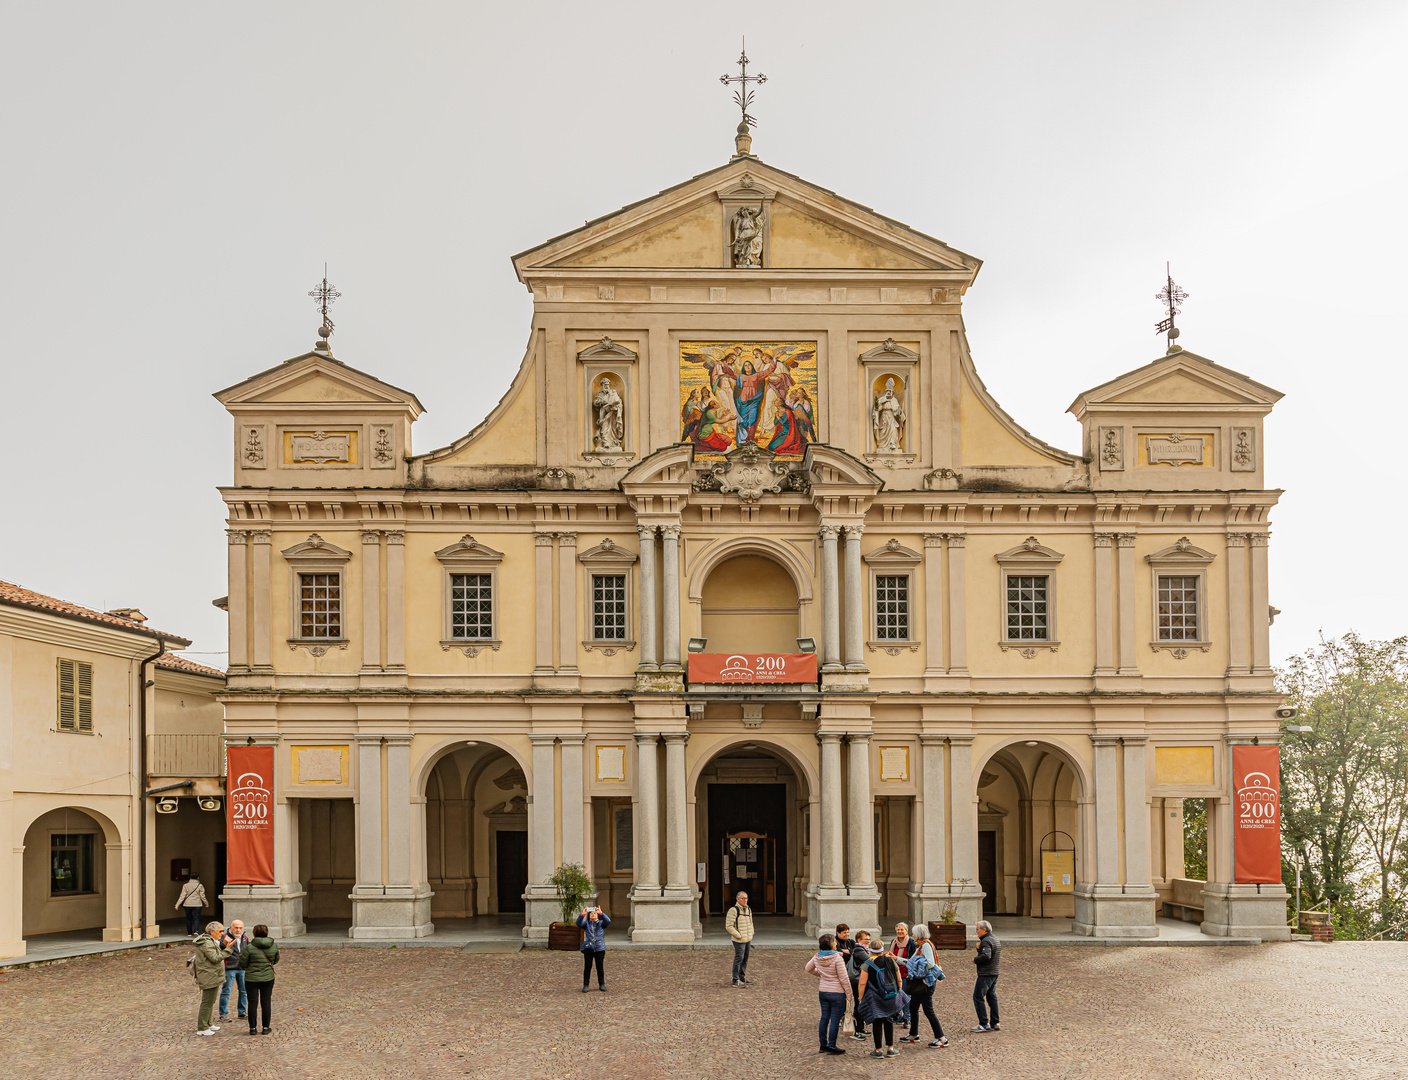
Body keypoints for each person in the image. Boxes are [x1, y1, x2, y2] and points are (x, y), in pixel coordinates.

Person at [856, 940, 907, 1058]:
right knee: (889, 1020)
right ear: (882, 950)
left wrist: (861, 998)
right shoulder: (890, 961)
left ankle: (878, 1050)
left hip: (875, 996)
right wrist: (898, 992)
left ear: (870, 951)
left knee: (877, 1022)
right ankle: (890, 1048)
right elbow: (899, 979)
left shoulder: (868, 963)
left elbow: (862, 983)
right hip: (890, 995)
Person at [898, 923, 947, 1048]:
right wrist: (895, 958)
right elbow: (910, 962)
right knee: (913, 1008)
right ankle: (913, 1034)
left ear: (919, 934)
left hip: (925, 984)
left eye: (914, 933)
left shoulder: (925, 946)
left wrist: (917, 966)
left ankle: (941, 1038)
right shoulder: (920, 946)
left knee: (928, 1011)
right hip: (919, 984)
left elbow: (930, 963)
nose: (912, 935)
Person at [805, 933, 852, 1055]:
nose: (836, 944)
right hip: (837, 992)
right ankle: (832, 1045)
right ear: (831, 945)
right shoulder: (837, 958)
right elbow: (844, 978)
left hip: (823, 991)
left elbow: (808, 968)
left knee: (824, 1018)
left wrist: (821, 974)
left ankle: (823, 1044)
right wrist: (849, 994)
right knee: (835, 1019)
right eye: (835, 942)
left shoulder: (817, 956)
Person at [191, 920, 231, 1035]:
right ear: (212, 932)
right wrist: (228, 949)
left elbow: (216, 954)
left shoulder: (211, 941)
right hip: (208, 975)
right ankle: (202, 1027)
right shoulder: (206, 943)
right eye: (220, 931)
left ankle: (207, 1023)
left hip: (212, 974)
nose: (222, 934)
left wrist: (224, 946)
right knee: (207, 1001)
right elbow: (215, 958)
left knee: (211, 1000)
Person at [238, 923, 279, 1035]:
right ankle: (266, 1027)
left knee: (252, 1003)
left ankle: (253, 1028)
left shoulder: (250, 947)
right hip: (268, 978)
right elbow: (276, 960)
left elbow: (242, 963)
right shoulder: (273, 945)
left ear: (254, 933)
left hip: (251, 978)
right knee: (266, 1002)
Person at [971, 920, 1001, 1033]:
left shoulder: (986, 941)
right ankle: (995, 1022)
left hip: (986, 974)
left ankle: (984, 1023)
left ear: (984, 930)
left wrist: (975, 960)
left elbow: (986, 956)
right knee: (991, 997)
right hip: (994, 972)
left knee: (978, 997)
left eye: (977, 929)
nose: (976, 932)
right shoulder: (994, 939)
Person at [217, 919, 249, 1023]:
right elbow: (219, 950)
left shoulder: (245, 937)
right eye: (236, 928)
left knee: (243, 990)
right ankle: (223, 1013)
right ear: (231, 928)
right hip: (229, 968)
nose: (238, 930)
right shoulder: (224, 937)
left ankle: (242, 1011)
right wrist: (224, 945)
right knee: (226, 991)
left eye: (240, 928)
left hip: (242, 968)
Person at [575, 905, 611, 992]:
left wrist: (601, 913)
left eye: (594, 913)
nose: (593, 915)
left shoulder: (602, 924)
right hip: (589, 949)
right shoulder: (586, 924)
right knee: (587, 967)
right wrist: (582, 914)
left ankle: (601, 984)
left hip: (600, 948)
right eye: (591, 913)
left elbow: (608, 921)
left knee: (600, 967)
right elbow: (578, 923)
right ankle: (586, 984)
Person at [846, 930, 872, 1040]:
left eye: (869, 939)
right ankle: (856, 1030)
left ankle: (861, 1027)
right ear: (859, 940)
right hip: (858, 981)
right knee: (859, 1004)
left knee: (862, 1003)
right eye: (866, 939)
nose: (868, 941)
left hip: (861, 980)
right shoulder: (859, 949)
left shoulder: (863, 949)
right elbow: (869, 960)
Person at [725, 890, 755, 987]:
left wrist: (751, 933)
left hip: (748, 939)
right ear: (738, 899)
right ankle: (735, 979)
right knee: (739, 958)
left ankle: (742, 976)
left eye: (746, 898)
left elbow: (751, 923)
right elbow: (729, 926)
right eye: (743, 898)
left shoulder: (748, 909)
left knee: (745, 958)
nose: (745, 900)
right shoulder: (733, 910)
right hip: (739, 940)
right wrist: (738, 935)